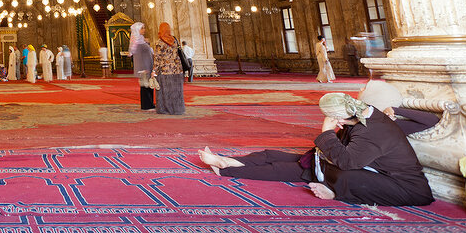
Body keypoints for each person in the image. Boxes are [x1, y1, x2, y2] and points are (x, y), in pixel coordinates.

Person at [199, 92, 434, 206]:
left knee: (334, 173)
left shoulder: (372, 133)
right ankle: (227, 162)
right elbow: (430, 120)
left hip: (404, 187)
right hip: (352, 168)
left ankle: (228, 168)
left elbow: (345, 162)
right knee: (274, 156)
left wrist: (327, 133)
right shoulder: (371, 117)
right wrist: (394, 109)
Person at [359, 79, 441, 135]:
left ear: (375, 96)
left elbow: (433, 120)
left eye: (366, 88)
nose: (361, 89)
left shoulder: (390, 124)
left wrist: (395, 110)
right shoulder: (359, 117)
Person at [152, 22, 185, 115]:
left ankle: (165, 109)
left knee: (165, 91)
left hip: (164, 71)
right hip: (176, 70)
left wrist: (154, 71)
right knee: (175, 90)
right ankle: (176, 109)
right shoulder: (174, 40)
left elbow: (157, 58)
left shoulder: (159, 42)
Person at [129, 22, 154, 110]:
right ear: (137, 30)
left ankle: (150, 104)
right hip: (144, 68)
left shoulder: (141, 40)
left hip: (148, 66)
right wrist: (144, 69)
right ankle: (147, 105)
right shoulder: (137, 42)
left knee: (149, 86)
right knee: (145, 87)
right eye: (142, 28)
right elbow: (139, 57)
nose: (144, 30)